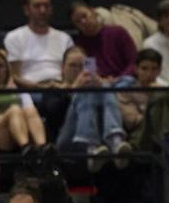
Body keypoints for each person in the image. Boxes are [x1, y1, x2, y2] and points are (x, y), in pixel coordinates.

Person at [54, 45, 133, 173]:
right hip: (68, 139)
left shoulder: (100, 87)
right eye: (72, 65)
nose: (78, 70)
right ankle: (95, 146)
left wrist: (102, 84)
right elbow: (54, 111)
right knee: (88, 91)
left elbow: (129, 81)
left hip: (102, 139)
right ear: (62, 68)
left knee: (104, 88)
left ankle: (114, 141)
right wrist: (74, 89)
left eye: (82, 65)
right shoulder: (55, 87)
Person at [0, 50, 49, 155]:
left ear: (6, 69)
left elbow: (31, 114)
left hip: (23, 126)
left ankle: (42, 147)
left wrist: (17, 118)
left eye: (1, 67)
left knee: (30, 109)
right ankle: (26, 148)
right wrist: (9, 117)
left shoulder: (19, 92)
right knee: (15, 110)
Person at [5, 0, 74, 88]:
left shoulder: (65, 38)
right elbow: (14, 75)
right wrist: (38, 87)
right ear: (26, 10)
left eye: (46, 6)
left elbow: (73, 70)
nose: (43, 10)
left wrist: (63, 86)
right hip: (30, 89)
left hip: (60, 87)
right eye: (37, 6)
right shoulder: (14, 37)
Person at [69, 2, 138, 79]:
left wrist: (119, 79)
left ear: (93, 12)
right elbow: (89, 71)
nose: (83, 22)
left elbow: (134, 62)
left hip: (124, 81)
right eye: (78, 21)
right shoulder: (81, 44)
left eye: (84, 16)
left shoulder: (118, 33)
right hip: (98, 85)